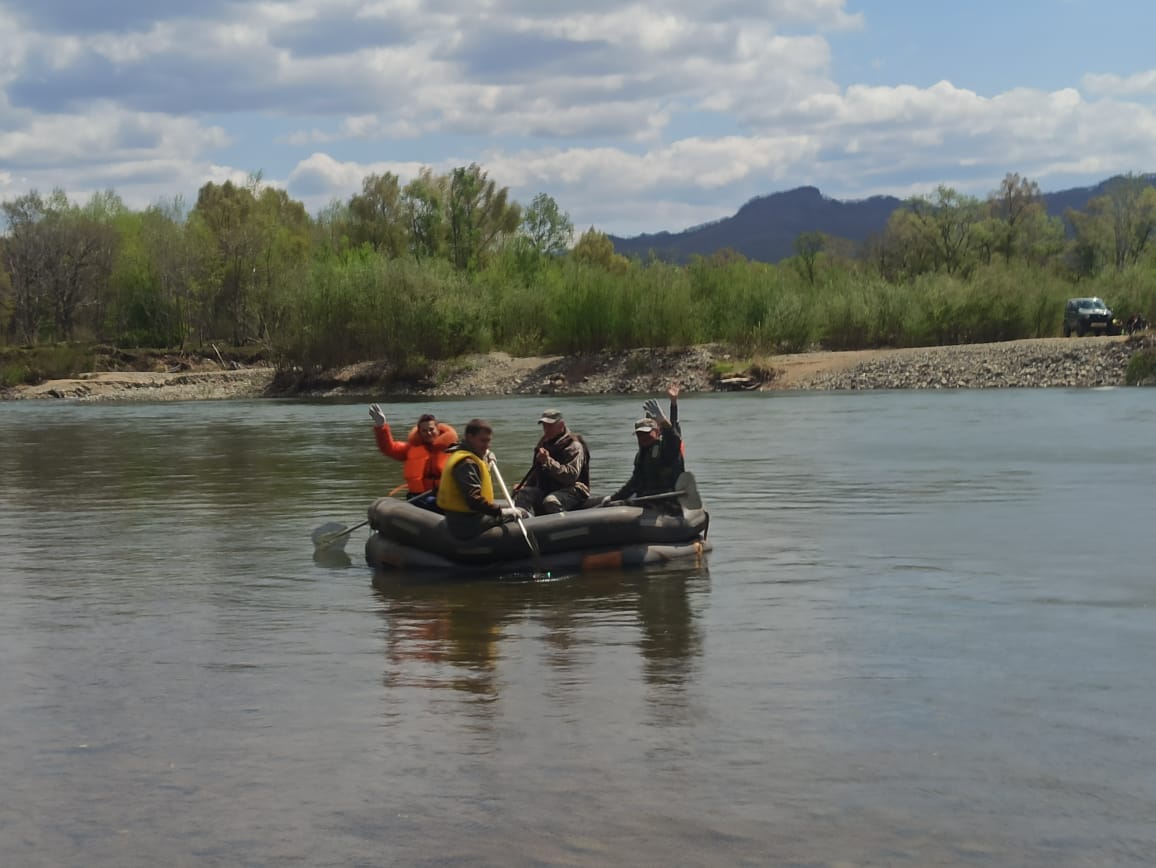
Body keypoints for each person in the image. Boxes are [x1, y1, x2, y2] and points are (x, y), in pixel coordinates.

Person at [436, 418, 528, 538]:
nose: (487, 446)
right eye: (483, 441)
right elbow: (474, 500)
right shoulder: (467, 463)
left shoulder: (461, 453)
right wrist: (501, 512)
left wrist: (485, 456)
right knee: (523, 513)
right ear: (469, 437)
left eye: (488, 441)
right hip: (468, 523)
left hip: (460, 517)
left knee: (515, 508)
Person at [602, 384, 685, 508]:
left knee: (627, 504)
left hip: (667, 499)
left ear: (656, 432)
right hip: (648, 497)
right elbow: (634, 482)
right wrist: (614, 497)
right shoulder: (641, 455)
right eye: (640, 434)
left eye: (647, 433)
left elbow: (674, 438)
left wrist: (664, 418)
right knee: (616, 503)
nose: (643, 438)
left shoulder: (665, 448)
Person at [369, 405, 457, 509]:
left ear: (438, 430)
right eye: (424, 431)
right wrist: (381, 426)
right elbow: (389, 448)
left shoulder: (453, 449)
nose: (428, 433)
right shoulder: (411, 449)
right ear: (419, 432)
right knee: (433, 503)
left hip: (447, 495)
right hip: (419, 497)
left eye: (431, 429)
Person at [513, 408, 591, 515]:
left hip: (573, 490)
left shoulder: (573, 446)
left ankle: (563, 528)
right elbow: (536, 473)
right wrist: (525, 486)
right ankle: (526, 525)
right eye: (544, 425)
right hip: (548, 488)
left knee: (551, 501)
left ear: (561, 424)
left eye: (550, 425)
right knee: (523, 493)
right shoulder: (543, 444)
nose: (546, 429)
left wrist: (548, 462)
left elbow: (570, 477)